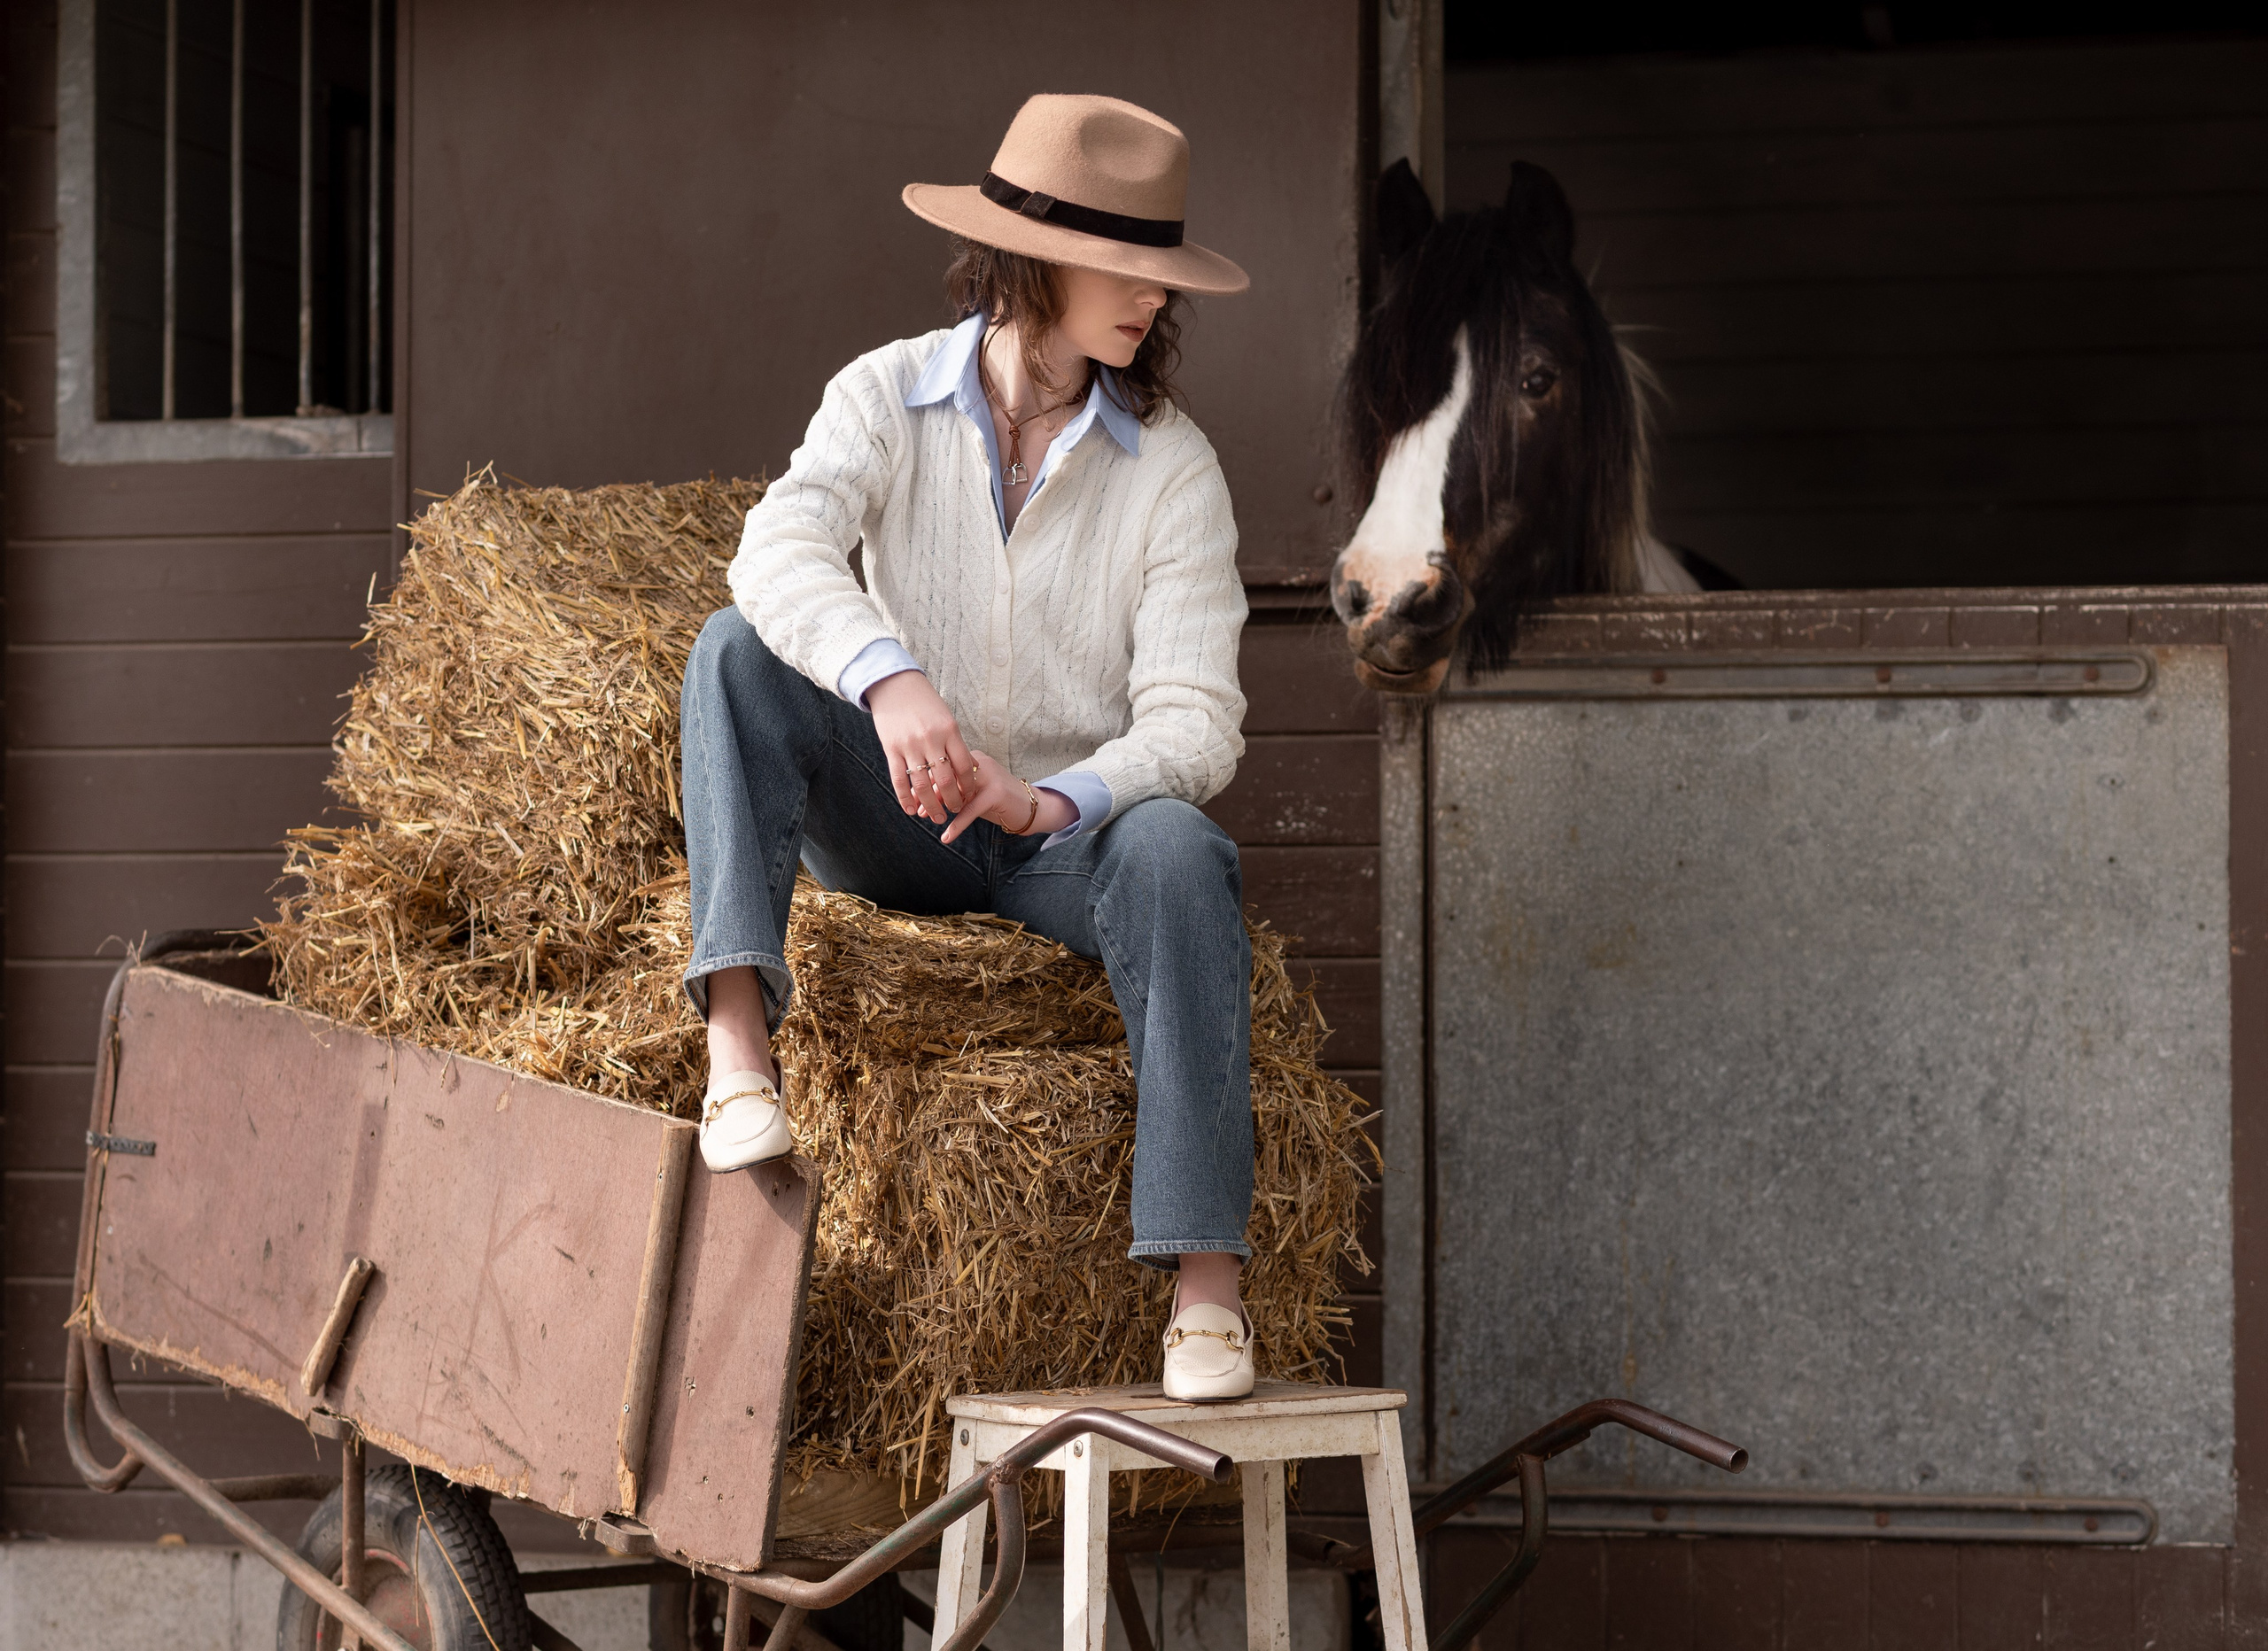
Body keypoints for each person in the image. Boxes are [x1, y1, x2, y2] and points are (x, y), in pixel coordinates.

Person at [679, 96, 1258, 1401]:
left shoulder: (1174, 469)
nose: (1150, 307)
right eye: (1125, 272)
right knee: (733, 647)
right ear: (1029, 260)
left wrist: (1053, 798)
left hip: (1059, 853)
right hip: (893, 817)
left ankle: (1206, 1287)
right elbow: (776, 552)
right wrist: (890, 685)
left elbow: (1196, 719)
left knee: (1178, 845)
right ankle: (735, 1052)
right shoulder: (885, 394)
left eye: (1162, 283)